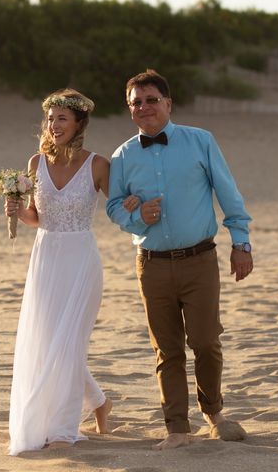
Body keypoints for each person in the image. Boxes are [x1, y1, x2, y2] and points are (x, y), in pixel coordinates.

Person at [106, 69, 253, 450]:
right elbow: (112, 208)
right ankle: (177, 429)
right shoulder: (122, 156)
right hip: (150, 264)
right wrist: (139, 218)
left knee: (205, 340)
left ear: (168, 103)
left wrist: (242, 243)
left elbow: (229, 194)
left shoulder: (201, 141)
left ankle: (214, 412)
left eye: (151, 99)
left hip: (199, 260)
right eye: (136, 103)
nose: (144, 108)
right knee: (166, 348)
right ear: (130, 109)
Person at [5, 88, 138, 455]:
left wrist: (131, 203)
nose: (53, 125)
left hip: (81, 259)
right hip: (46, 257)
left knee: (69, 345)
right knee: (49, 344)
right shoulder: (35, 164)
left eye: (61, 118)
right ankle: (99, 401)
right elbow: (37, 217)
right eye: (50, 118)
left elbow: (118, 208)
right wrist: (18, 210)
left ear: (79, 123)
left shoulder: (97, 165)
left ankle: (64, 427)